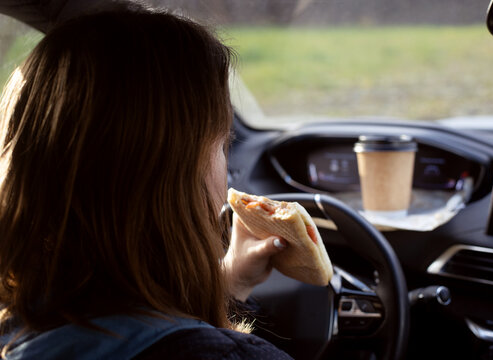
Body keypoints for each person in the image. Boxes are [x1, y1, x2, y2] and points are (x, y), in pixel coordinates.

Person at [0, 5, 293, 359]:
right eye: (224, 141)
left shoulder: (17, 324)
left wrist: (230, 281)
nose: (227, 170)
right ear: (171, 177)